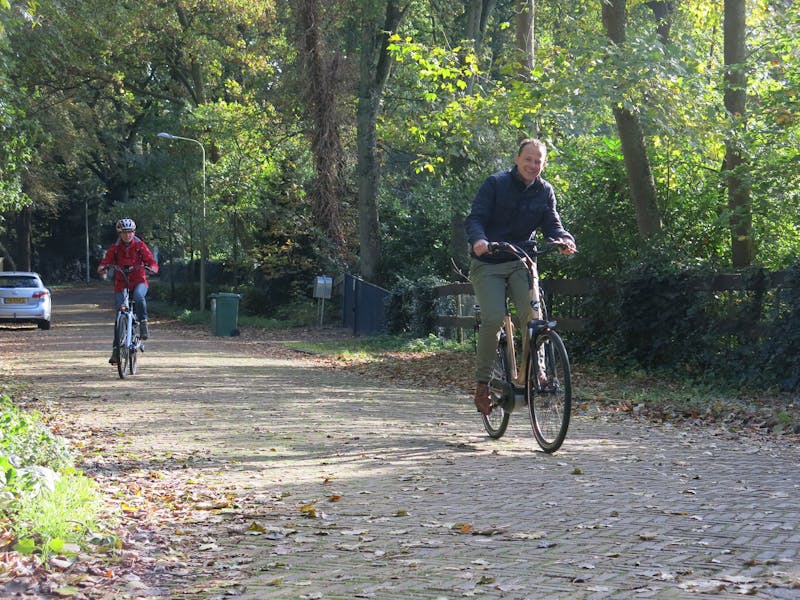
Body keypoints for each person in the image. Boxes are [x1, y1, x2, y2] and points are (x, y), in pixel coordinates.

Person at [464, 138, 576, 416]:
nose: (533, 165)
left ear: (544, 164)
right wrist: (479, 240)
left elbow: (553, 223)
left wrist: (563, 239)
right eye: (528, 159)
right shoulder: (495, 184)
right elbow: (475, 217)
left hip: (521, 261)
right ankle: (482, 385)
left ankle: (535, 370)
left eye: (538, 161)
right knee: (492, 318)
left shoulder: (545, 191)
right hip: (489, 261)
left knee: (532, 316)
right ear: (517, 159)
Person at [97, 218, 159, 364]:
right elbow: (106, 261)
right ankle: (116, 352)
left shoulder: (139, 246)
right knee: (120, 314)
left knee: (138, 296)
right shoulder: (115, 248)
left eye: (130, 232)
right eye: (124, 233)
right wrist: (102, 267)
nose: (128, 235)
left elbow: (151, 261)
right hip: (121, 283)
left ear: (134, 232)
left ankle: (143, 324)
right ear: (119, 234)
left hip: (139, 281)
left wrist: (152, 269)